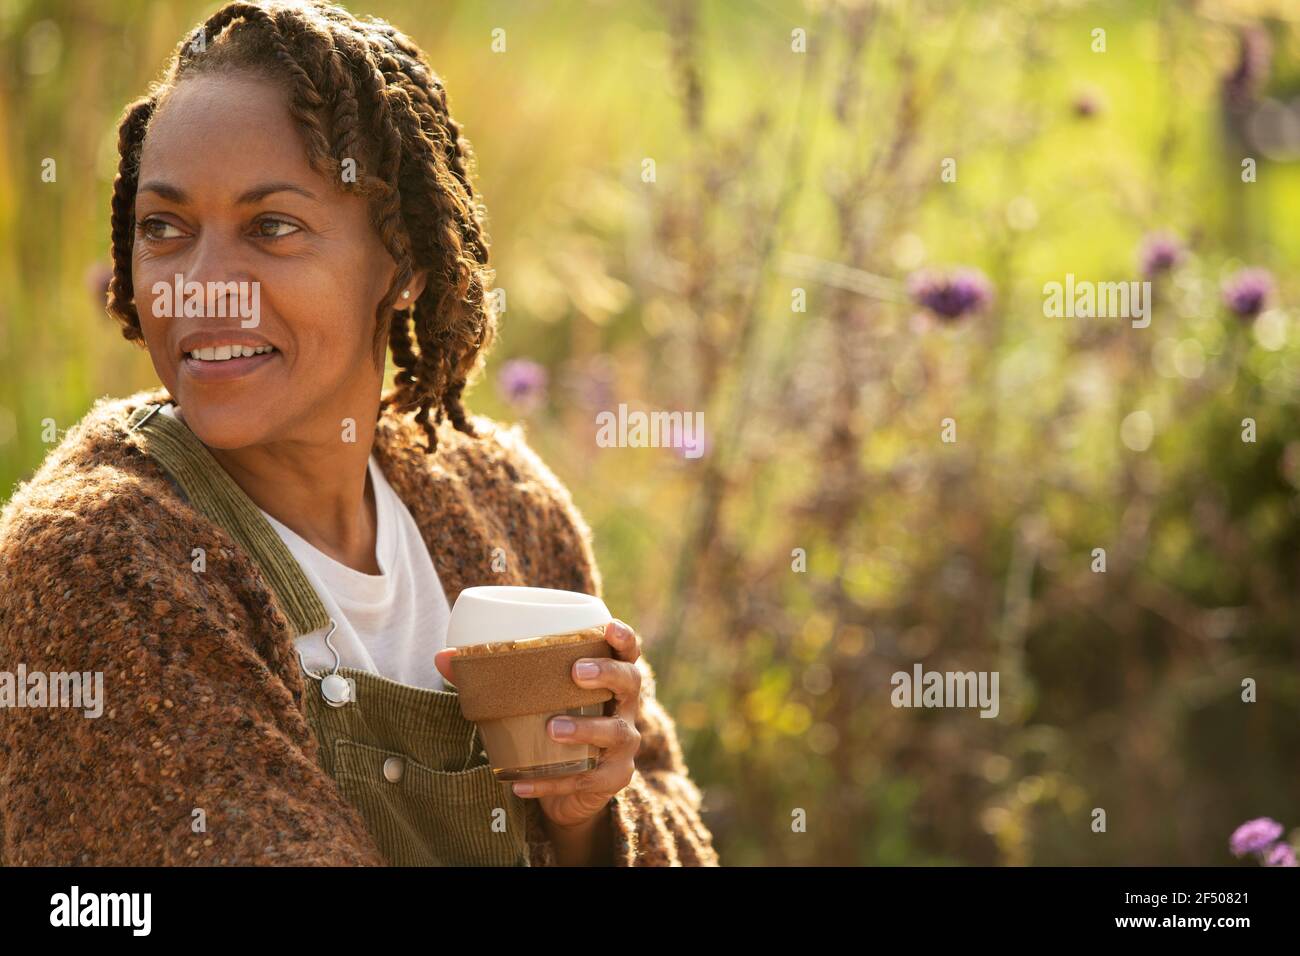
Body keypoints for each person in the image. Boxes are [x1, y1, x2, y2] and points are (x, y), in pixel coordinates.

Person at [0, 0, 718, 867]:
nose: (202, 289)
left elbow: (672, 811)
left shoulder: (507, 506)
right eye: (165, 229)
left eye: (272, 228)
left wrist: (590, 818)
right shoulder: (96, 565)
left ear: (405, 261)